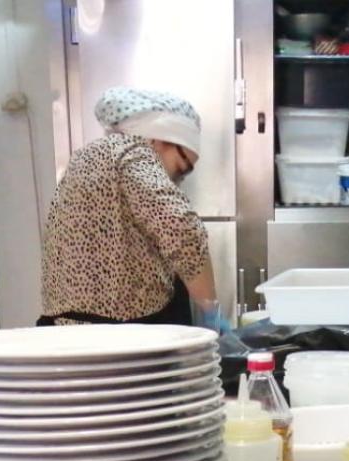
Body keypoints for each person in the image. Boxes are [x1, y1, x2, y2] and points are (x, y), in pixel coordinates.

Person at [38, 87, 225, 330]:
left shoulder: (87, 156)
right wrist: (209, 309)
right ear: (159, 139)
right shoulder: (134, 154)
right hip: (124, 333)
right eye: (181, 169)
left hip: (68, 327)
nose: (177, 181)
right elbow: (183, 230)